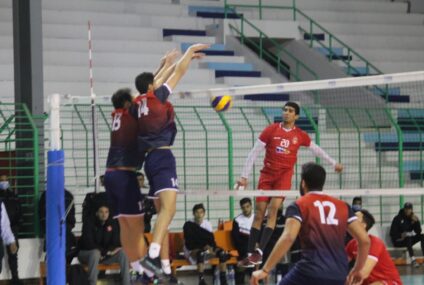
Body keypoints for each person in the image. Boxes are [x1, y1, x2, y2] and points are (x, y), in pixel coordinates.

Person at [133, 43, 210, 278]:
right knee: (170, 209)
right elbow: (179, 73)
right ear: (152, 87)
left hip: (149, 160)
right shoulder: (157, 99)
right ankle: (152, 256)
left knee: (163, 214)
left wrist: (163, 65)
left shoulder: (138, 102)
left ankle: (163, 263)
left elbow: (154, 82)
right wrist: (187, 54)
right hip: (163, 157)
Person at [235, 101, 343, 266]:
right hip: (267, 175)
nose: (286, 113)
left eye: (290, 111)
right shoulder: (271, 130)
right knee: (258, 214)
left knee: (273, 211)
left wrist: (333, 163)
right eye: (285, 110)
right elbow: (254, 153)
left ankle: (260, 252)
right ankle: (250, 255)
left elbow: (316, 149)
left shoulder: (299, 135)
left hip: (283, 178)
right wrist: (244, 176)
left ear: (296, 116)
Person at [250, 162, 370, 285]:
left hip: (310, 270)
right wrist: (357, 269)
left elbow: (289, 237)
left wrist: (265, 270)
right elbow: (364, 240)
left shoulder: (299, 205)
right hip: (339, 273)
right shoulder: (343, 206)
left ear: (303, 183)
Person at [103, 88, 148, 279]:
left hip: (110, 175)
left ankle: (137, 267)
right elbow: (148, 91)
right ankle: (147, 270)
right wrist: (166, 66)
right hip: (124, 176)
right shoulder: (130, 113)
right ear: (129, 104)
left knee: (124, 225)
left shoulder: (118, 115)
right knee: (137, 227)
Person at [346, 209, 402, 285]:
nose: (350, 220)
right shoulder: (352, 244)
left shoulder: (375, 242)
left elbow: (363, 273)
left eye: (355, 218)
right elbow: (339, 264)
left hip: (389, 281)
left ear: (363, 225)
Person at [78, 204, 130, 285]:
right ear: (97, 213)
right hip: (87, 254)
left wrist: (108, 252)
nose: (104, 214)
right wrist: (105, 252)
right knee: (95, 253)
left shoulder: (112, 223)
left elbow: (115, 242)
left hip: (105, 256)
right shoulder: (89, 223)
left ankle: (127, 283)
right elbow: (88, 243)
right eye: (101, 212)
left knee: (123, 253)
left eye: (106, 212)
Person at [183, 203, 230, 285]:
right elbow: (190, 242)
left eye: (201, 212)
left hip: (207, 249)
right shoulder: (188, 225)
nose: (199, 215)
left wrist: (211, 247)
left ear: (204, 213)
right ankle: (201, 280)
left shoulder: (207, 224)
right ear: (193, 213)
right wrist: (204, 246)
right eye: (197, 212)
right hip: (193, 249)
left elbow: (211, 239)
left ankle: (223, 280)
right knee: (200, 253)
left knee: (222, 253)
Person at [0, 175, 22, 284]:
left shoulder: (13, 196)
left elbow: (19, 211)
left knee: (13, 254)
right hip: (4, 231)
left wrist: (17, 225)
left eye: (5, 180)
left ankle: (15, 278)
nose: (3, 182)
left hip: (12, 228)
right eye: (1, 180)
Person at [390, 202, 424, 267]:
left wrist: (416, 222)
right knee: (408, 237)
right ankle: (413, 260)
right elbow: (392, 233)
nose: (408, 210)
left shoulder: (413, 217)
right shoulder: (397, 218)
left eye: (409, 209)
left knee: (422, 236)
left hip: (409, 240)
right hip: (398, 241)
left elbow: (418, 231)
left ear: (411, 210)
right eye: (406, 209)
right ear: (404, 209)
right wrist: (401, 235)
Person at [231, 198, 254, 284]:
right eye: (243, 207)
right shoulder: (237, 220)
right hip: (243, 250)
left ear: (251, 206)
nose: (246, 209)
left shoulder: (257, 218)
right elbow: (236, 240)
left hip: (255, 250)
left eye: (247, 206)